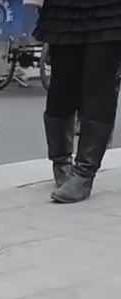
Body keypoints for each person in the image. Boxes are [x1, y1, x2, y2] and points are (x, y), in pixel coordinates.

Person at [34, 0, 121, 203]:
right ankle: (61, 160)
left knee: (99, 84)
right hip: (63, 9)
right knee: (61, 86)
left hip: (109, 10)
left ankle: (84, 172)